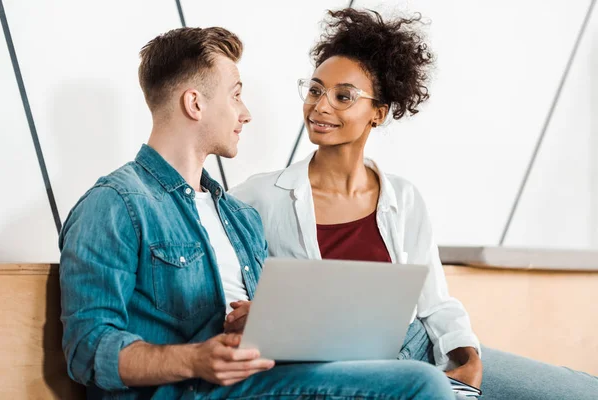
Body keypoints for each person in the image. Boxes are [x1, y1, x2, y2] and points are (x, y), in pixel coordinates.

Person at [58, 26, 455, 400]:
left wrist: (262, 320)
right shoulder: (115, 203)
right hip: (195, 390)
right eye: (235, 95)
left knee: (457, 373)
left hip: (268, 375)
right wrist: (194, 359)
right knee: (424, 385)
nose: (245, 113)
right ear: (194, 104)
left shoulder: (237, 214)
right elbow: (87, 348)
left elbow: (264, 325)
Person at [229, 9, 598, 400]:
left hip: (420, 345)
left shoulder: (403, 198)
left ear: (378, 113)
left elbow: (435, 302)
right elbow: (232, 299)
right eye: (315, 90)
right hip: (348, 371)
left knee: (583, 391)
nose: (320, 106)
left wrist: (466, 354)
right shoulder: (257, 197)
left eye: (343, 97)